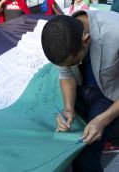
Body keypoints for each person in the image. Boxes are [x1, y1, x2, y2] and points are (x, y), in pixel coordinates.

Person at [41, 10, 119, 172]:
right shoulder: (59, 38)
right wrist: (68, 109)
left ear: (86, 39)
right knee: (71, 147)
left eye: (75, 61)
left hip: (108, 92)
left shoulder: (115, 31)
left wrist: (102, 120)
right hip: (82, 89)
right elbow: (66, 75)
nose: (68, 67)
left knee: (85, 158)